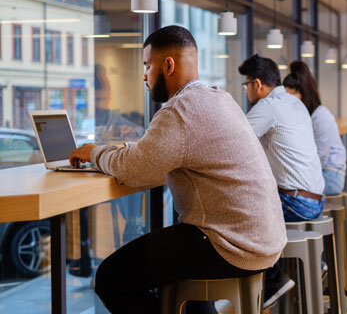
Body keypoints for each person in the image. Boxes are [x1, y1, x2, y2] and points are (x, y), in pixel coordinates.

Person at [69, 25, 287, 314]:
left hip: (232, 243)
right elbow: (161, 152)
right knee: (182, 263)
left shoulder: (178, 111)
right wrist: (128, 149)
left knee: (111, 277)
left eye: (147, 65)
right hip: (263, 236)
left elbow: (135, 170)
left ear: (167, 65)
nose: (144, 75)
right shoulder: (219, 98)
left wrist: (93, 152)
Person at [238, 54, 325, 308]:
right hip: (316, 199)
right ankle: (311, 262)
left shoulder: (268, 106)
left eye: (246, 85)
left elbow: (235, 142)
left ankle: (273, 279)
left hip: (298, 202)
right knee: (257, 203)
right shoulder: (293, 102)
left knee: (242, 215)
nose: (246, 91)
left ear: (257, 84)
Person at [283, 61, 347, 195]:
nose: (289, 102)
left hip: (331, 177)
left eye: (292, 96)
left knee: (285, 192)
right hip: (320, 174)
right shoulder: (306, 116)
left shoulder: (320, 115)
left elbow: (321, 157)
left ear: (302, 93)